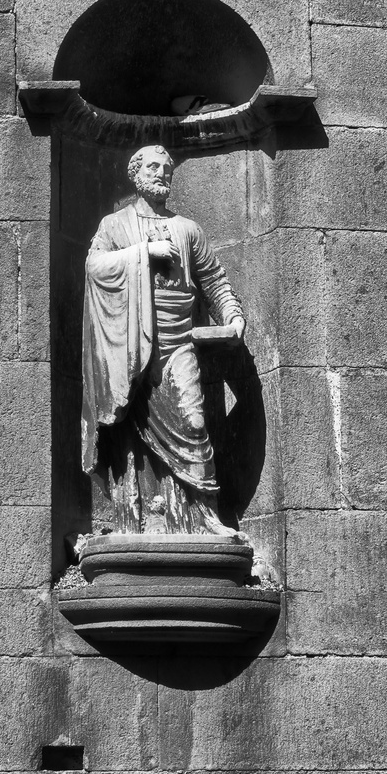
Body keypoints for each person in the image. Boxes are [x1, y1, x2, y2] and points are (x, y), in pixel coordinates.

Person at [81, 144, 245, 534]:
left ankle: (203, 519)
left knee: (193, 422)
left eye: (167, 169)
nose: (162, 174)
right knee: (129, 436)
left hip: (177, 343)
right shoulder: (114, 225)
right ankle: (135, 521)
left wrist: (232, 314)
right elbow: (94, 265)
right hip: (131, 348)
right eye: (153, 167)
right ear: (135, 173)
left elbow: (214, 281)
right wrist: (144, 252)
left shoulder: (187, 229)